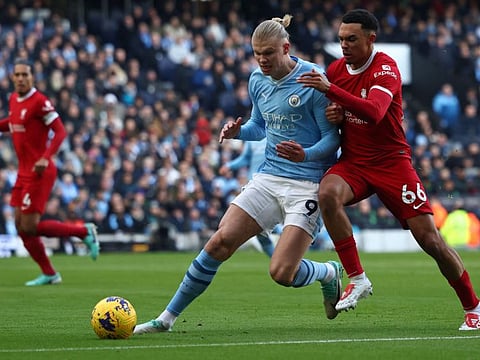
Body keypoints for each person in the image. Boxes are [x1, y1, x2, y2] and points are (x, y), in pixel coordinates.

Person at [134, 14, 342, 334]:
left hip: (307, 182)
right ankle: (166, 319)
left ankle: (328, 272)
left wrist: (306, 154)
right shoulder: (257, 79)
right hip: (269, 175)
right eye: (257, 53)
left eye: (269, 53)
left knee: (282, 273)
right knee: (220, 242)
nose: (262, 59)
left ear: (285, 48)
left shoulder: (312, 79)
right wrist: (237, 132)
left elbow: (333, 139)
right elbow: (260, 126)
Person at [297, 8, 480, 331]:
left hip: (392, 163)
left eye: (351, 39)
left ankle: (473, 306)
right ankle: (357, 277)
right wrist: (333, 115)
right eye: (340, 39)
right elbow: (335, 112)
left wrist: (330, 91)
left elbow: (375, 111)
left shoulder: (385, 69)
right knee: (327, 194)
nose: (344, 46)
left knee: (431, 240)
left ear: (371, 39)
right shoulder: (337, 70)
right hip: (354, 162)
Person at [0, 58, 100, 286]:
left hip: (39, 171)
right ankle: (50, 273)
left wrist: (46, 158)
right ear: (12, 77)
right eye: (17, 75)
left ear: (32, 77)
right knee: (21, 228)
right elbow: (13, 122)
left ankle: (82, 232)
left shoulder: (40, 102)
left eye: (25, 74)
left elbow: (60, 131)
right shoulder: (14, 99)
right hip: (23, 172)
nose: (21, 78)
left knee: (30, 226)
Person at [218, 138, 275, 257]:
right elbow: (245, 158)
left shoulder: (277, 132)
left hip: (271, 184)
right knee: (261, 232)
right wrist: (229, 166)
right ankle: (279, 262)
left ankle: (283, 253)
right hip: (253, 185)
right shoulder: (252, 138)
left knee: (262, 226)